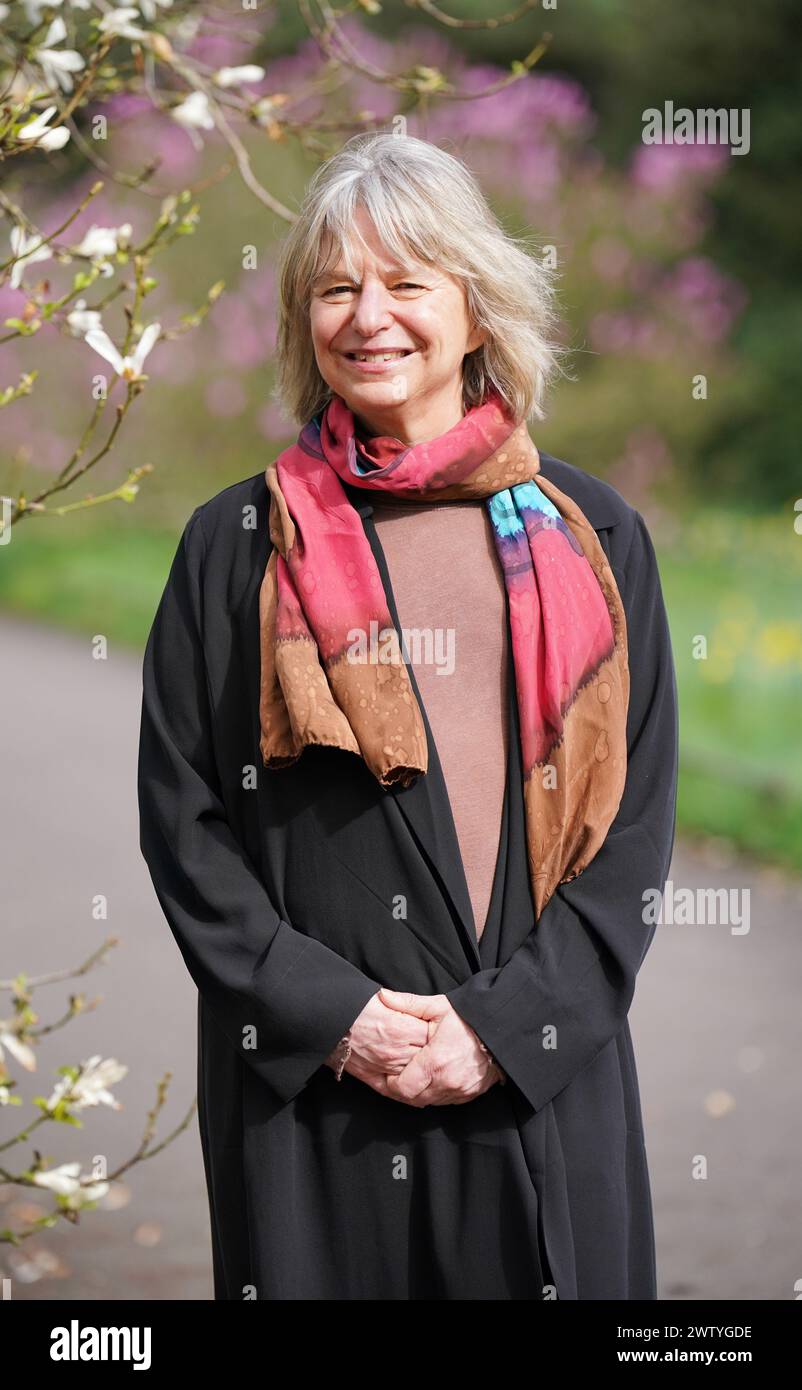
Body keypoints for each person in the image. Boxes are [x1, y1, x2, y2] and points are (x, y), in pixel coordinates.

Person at [137, 132, 679, 1300]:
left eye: (405, 282)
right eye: (334, 288)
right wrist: (336, 1018)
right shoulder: (232, 548)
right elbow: (184, 827)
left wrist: (503, 1028)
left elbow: (634, 828)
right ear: (302, 321)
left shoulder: (596, 535)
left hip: (539, 1072)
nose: (367, 316)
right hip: (311, 1099)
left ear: (477, 311)